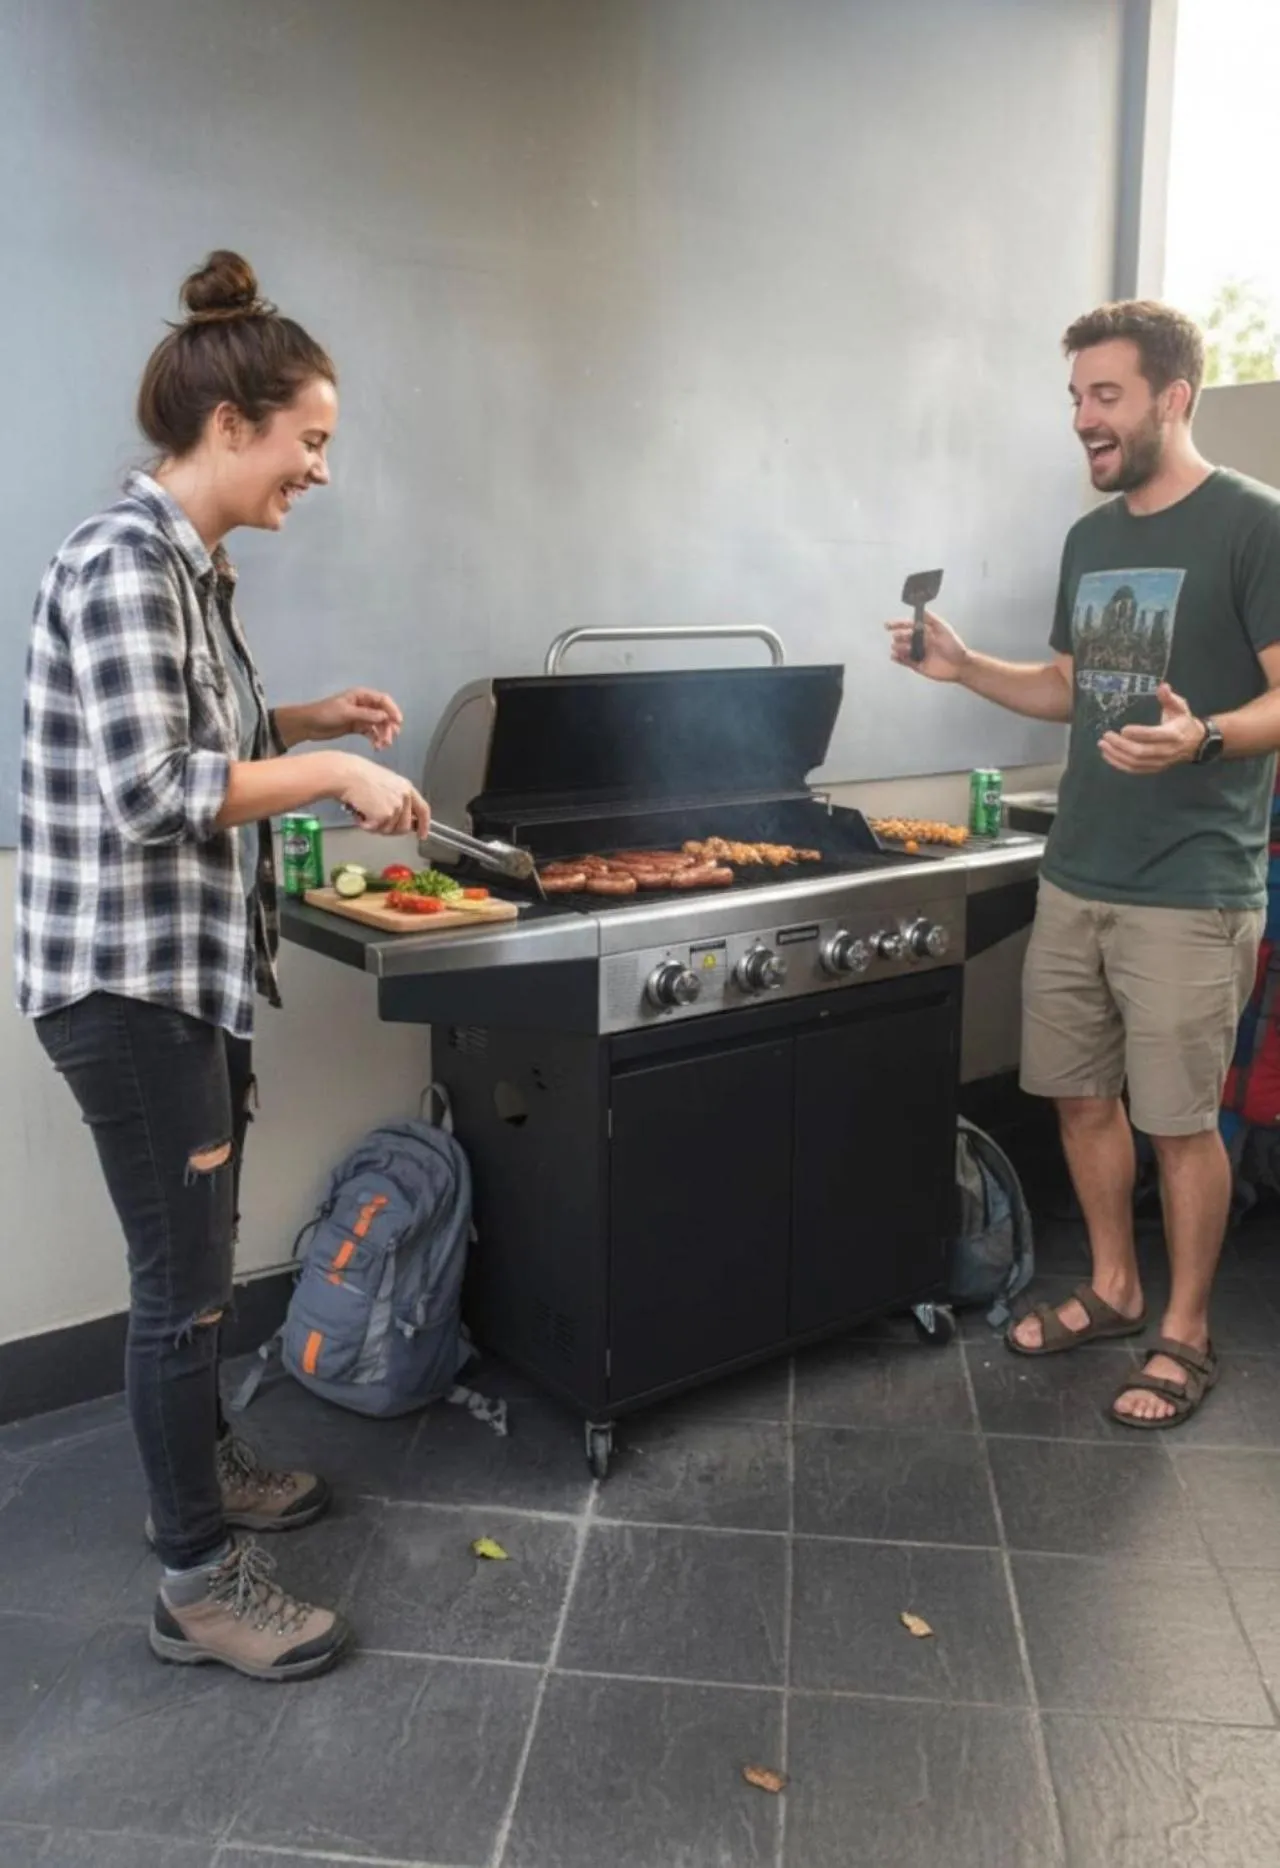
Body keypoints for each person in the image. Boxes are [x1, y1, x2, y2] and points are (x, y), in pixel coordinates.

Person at [16, 249, 431, 1678]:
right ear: (231, 422)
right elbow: (151, 789)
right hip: (125, 987)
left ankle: (203, 1472)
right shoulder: (122, 562)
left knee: (192, 1265)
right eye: (308, 439)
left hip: (181, 976)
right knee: (182, 1287)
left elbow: (204, 737)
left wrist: (307, 719)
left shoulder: (193, 568)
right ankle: (194, 1584)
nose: (319, 469)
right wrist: (328, 772)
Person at [888, 299, 1280, 1429]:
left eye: (1105, 395)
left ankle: (1184, 1331)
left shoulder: (1252, 523)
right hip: (1078, 875)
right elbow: (1071, 685)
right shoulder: (1090, 540)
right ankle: (1113, 1288)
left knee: (1178, 1123)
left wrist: (1202, 737)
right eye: (1074, 397)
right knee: (1076, 1097)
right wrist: (966, 666)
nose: (1082, 419)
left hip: (1190, 888)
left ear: (1173, 397)